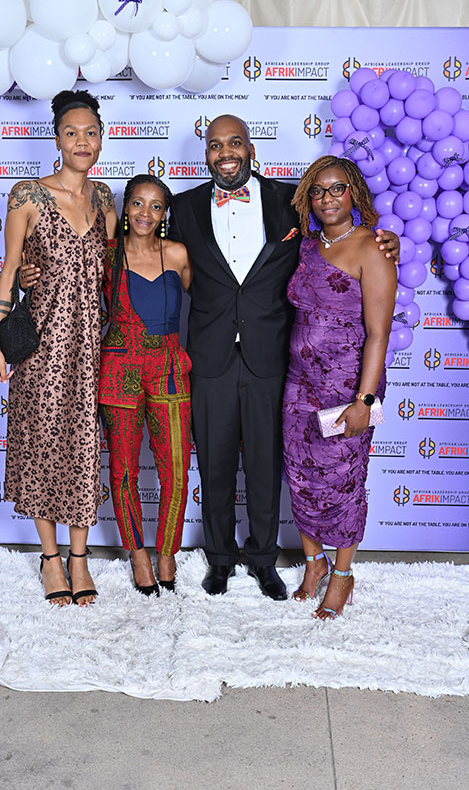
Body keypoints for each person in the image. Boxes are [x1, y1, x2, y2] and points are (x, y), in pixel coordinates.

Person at [168, 114, 400, 599]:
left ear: (251, 150)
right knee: (213, 462)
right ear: (206, 153)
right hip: (210, 354)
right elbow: (147, 250)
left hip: (272, 358)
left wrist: (389, 240)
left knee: (267, 464)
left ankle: (263, 559)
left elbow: (344, 238)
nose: (225, 153)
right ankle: (219, 559)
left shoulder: (291, 202)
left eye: (235, 143)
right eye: (215, 145)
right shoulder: (183, 206)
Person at [0, 90, 117, 606]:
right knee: (41, 444)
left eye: (91, 133)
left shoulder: (105, 199)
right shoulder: (27, 196)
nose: (82, 141)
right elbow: (8, 270)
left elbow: (113, 271)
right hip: (41, 345)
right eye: (71, 133)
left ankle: (79, 558)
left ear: (101, 139)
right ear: (57, 140)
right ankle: (50, 558)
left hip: (91, 346)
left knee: (83, 448)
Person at [283, 156, 397, 619]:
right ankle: (314, 563)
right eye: (318, 191)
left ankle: (343, 574)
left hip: (346, 389)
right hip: (299, 385)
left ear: (355, 194)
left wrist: (364, 400)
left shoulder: (374, 248)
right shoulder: (306, 245)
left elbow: (379, 334)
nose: (326, 198)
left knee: (344, 482)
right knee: (300, 475)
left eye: (336, 189)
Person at [99, 175, 192, 595]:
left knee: (175, 466)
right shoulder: (107, 254)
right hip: (119, 370)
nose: (145, 213)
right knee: (123, 470)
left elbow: (214, 299)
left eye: (156, 206)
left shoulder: (177, 253)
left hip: (169, 367)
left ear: (165, 214)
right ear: (126, 207)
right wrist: (26, 277)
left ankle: (167, 551)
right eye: (138, 203)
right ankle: (138, 553)